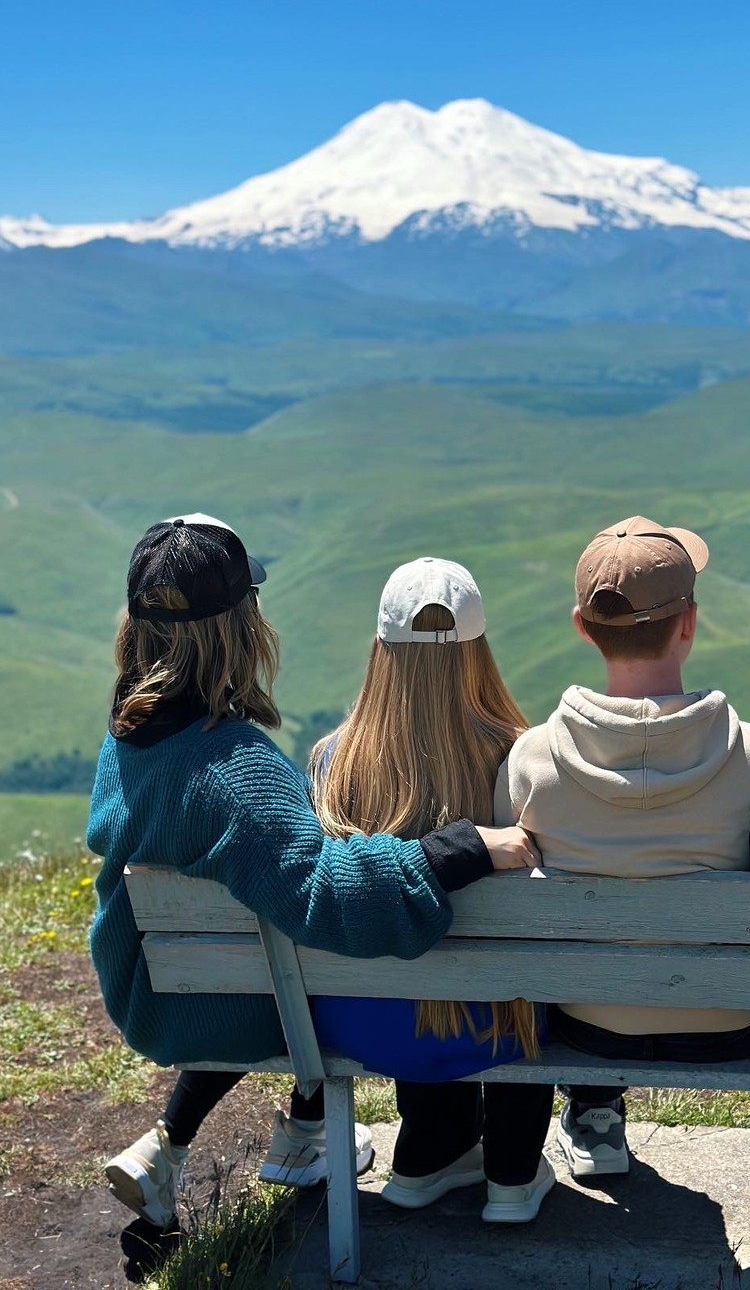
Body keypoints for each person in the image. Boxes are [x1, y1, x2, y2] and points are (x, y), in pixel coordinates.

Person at [88, 516, 535, 1230]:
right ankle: (303, 1135)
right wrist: (459, 850)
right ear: (241, 625)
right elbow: (325, 895)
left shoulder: (128, 738)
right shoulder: (237, 771)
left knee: (277, 943)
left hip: (157, 985)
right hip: (234, 1004)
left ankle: (296, 1133)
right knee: (307, 954)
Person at [495, 515, 750, 1177]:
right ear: (689, 624)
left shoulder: (531, 763)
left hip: (588, 1021)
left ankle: (595, 1111)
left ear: (582, 626)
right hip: (738, 1021)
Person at [308, 557, 556, 1225]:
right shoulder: (521, 756)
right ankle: (511, 1168)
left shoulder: (332, 761)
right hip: (495, 1033)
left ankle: (427, 1152)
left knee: (421, 976)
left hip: (362, 1024)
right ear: (479, 654)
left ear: (380, 650)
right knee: (521, 973)